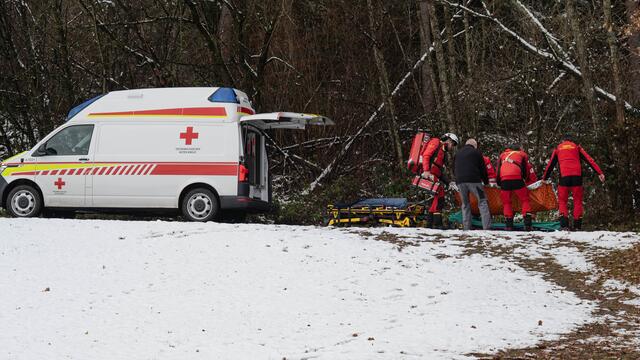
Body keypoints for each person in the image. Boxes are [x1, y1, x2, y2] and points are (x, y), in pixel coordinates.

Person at [542, 135, 605, 230]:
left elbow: (550, 164)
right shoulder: (576, 147)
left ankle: (564, 225)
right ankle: (577, 226)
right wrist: (599, 172)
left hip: (564, 177)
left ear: (563, 141)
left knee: (562, 201)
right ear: (572, 141)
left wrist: (545, 178)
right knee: (577, 201)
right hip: (577, 177)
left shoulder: (558, 148)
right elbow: (590, 160)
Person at [419, 132, 459, 228]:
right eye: (452, 144)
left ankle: (430, 223)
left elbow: (439, 171)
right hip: (428, 174)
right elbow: (426, 156)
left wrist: (449, 182)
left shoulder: (443, 153)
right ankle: (437, 224)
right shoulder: (436, 142)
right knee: (440, 195)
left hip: (434, 175)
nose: (452, 147)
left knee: (439, 195)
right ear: (447, 140)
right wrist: (426, 171)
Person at [497, 145, 538, 231]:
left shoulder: (502, 155)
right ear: (519, 149)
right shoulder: (521, 154)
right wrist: (524, 179)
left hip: (504, 180)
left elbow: (498, 170)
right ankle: (527, 224)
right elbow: (526, 170)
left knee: (506, 202)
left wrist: (499, 183)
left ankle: (508, 225)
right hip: (516, 178)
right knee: (525, 200)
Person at [454, 139, 491, 230]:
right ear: (475, 146)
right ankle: (487, 228)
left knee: (465, 204)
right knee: (482, 202)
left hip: (460, 182)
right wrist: (486, 182)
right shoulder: (476, 152)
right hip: (474, 181)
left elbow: (453, 168)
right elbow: (483, 169)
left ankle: (466, 228)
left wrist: (457, 179)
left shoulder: (457, 153)